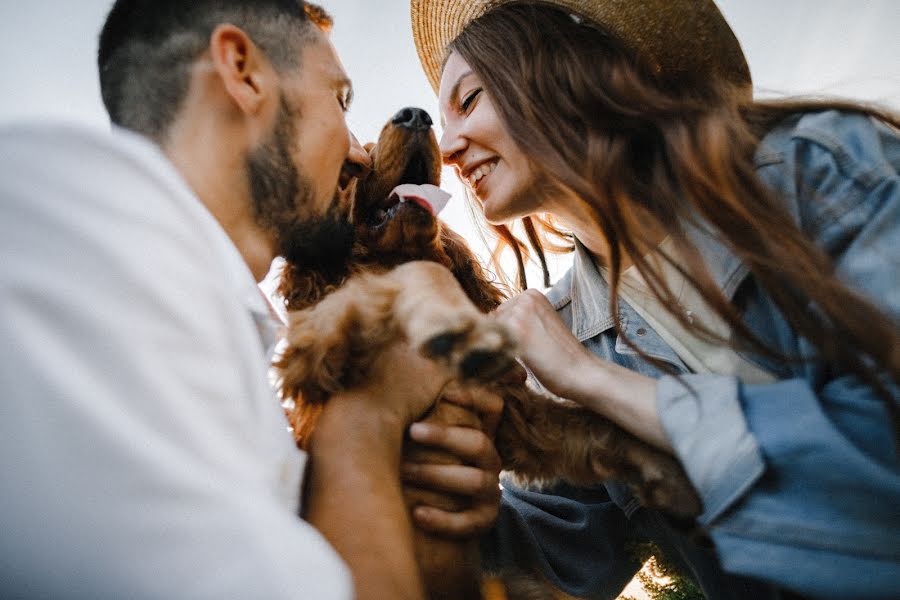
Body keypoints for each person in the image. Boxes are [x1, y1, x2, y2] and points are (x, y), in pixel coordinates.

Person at [0, 1, 501, 598]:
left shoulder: (201, 315)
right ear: (242, 71)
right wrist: (368, 414)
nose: (361, 155)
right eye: (340, 102)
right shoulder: (57, 254)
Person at [409, 0, 900, 598]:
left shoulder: (817, 170)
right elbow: (547, 561)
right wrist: (428, 482)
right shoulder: (558, 336)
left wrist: (598, 382)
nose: (449, 148)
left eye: (468, 100)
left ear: (561, 68)